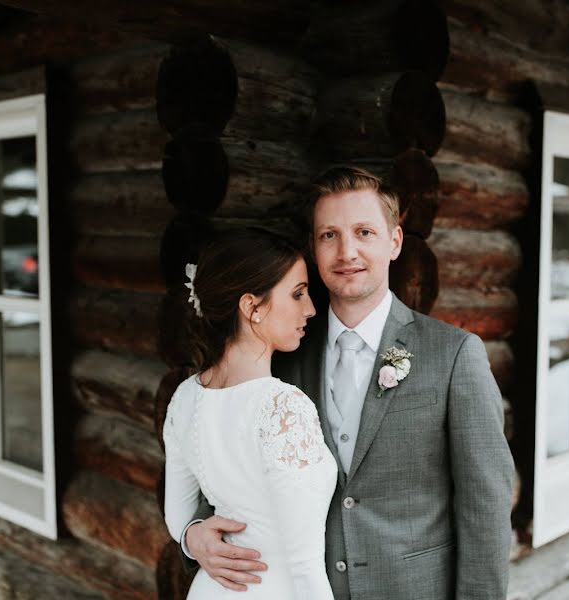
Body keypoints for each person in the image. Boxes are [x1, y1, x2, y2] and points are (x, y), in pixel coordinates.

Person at [183, 167, 514, 600]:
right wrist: (193, 535)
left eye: (364, 232)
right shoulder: (282, 354)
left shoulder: (453, 355)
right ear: (314, 248)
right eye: (329, 236)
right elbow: (229, 463)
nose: (347, 252)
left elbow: (485, 506)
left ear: (394, 242)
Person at [162, 227, 338, 599]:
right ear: (251, 307)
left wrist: (194, 542)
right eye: (297, 294)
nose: (310, 309)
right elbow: (305, 564)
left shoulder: (183, 399)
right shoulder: (282, 408)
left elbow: (179, 520)